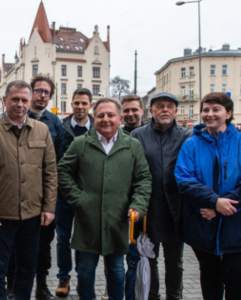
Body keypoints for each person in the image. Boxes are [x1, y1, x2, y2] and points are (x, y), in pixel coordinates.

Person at [58, 97, 152, 300]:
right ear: (94, 117)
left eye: (111, 115)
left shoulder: (132, 145)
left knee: (117, 269)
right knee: (85, 269)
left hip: (118, 219)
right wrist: (79, 199)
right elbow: (63, 172)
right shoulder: (80, 143)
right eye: (101, 115)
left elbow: (143, 178)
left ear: (120, 118)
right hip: (87, 220)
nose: (106, 119)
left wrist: (138, 205)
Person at [0, 80, 58, 300]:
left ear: (29, 102)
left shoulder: (42, 130)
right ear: (5, 101)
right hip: (0, 217)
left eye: (24, 100)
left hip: (33, 216)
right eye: (15, 99)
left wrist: (49, 207)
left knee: (27, 268)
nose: (20, 104)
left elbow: (50, 172)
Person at [174, 93, 241, 300]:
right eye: (206, 109)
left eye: (216, 109)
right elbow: (184, 180)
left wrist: (219, 207)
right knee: (210, 281)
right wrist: (213, 201)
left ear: (228, 113)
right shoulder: (191, 144)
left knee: (237, 282)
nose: (209, 114)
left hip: (240, 229)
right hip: (203, 228)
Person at [4, 74, 63, 300]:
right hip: (16, 196)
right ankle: (12, 286)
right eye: (38, 90)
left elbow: (59, 159)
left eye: (46, 92)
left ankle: (41, 285)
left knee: (43, 246)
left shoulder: (54, 122)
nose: (42, 95)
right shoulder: (17, 115)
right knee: (14, 247)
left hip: (43, 198)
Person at [131, 92, 192, 300]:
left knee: (175, 261)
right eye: (159, 106)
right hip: (148, 209)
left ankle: (175, 297)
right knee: (148, 259)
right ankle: (152, 296)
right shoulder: (138, 135)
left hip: (176, 209)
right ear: (151, 111)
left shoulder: (186, 136)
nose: (164, 109)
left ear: (175, 111)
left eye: (169, 106)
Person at [55, 87, 95, 297]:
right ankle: (63, 276)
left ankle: (83, 277)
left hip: (88, 196)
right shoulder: (60, 128)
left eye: (84, 103)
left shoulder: (99, 128)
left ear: (90, 105)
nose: (80, 107)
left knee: (82, 237)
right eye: (76, 103)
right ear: (71, 104)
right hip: (62, 196)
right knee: (63, 238)